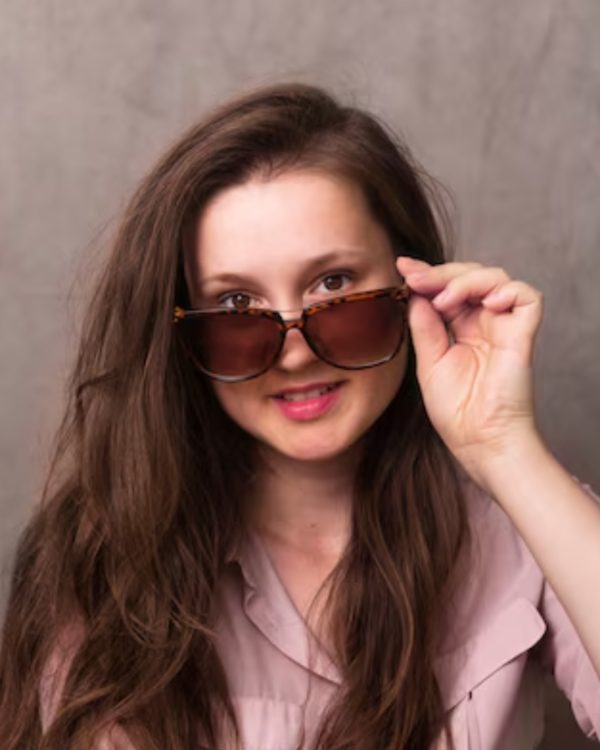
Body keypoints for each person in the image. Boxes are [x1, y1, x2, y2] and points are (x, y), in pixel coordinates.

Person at [0, 82, 598, 750]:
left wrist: (502, 445)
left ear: (414, 286)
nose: (295, 353)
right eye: (237, 307)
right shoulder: (100, 561)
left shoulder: (527, 526)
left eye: (333, 285)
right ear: (182, 334)